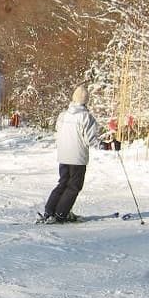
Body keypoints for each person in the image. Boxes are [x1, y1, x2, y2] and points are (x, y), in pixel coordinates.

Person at [41, 85, 100, 223]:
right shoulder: (86, 117)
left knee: (63, 183)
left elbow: (57, 133)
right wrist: (107, 145)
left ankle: (49, 211)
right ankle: (61, 214)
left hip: (63, 156)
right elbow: (90, 139)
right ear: (86, 101)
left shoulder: (63, 115)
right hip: (77, 157)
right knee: (74, 186)